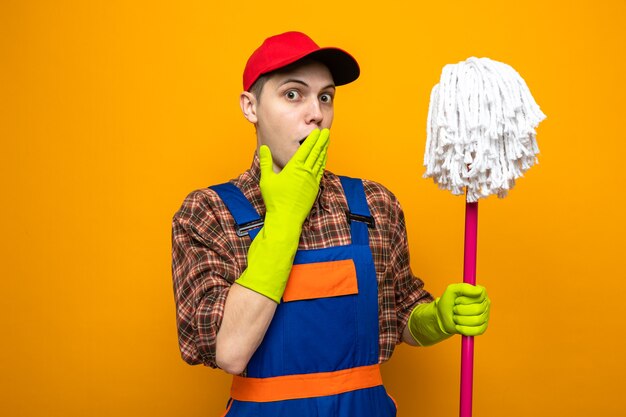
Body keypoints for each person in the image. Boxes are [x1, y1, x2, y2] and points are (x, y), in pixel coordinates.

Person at [171, 31, 491, 417]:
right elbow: (231, 351)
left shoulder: (373, 204)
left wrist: (435, 320)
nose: (316, 113)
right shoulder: (209, 213)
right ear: (250, 106)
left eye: (325, 97)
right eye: (293, 94)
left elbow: (401, 311)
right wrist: (285, 220)